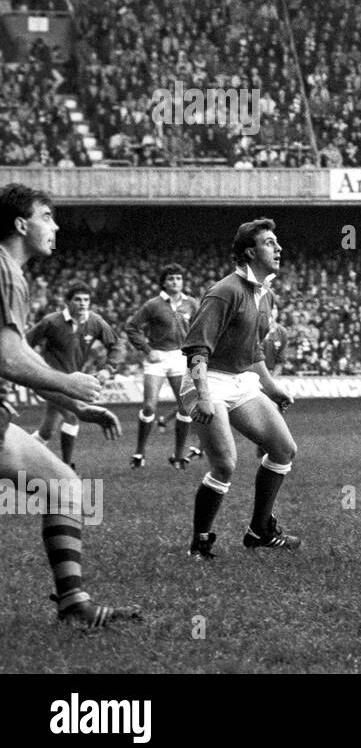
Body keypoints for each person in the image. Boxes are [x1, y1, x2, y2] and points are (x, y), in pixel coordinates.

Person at [0, 183, 139, 627]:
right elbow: (8, 357)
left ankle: (74, 604)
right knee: (64, 487)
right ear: (21, 225)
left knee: (63, 487)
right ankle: (74, 605)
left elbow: (23, 358)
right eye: (46, 216)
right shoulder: (4, 269)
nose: (56, 225)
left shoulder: (9, 271)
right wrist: (70, 384)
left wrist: (72, 403)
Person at [180, 218, 300, 560]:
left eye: (277, 243)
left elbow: (254, 352)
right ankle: (199, 542)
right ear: (250, 252)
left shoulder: (266, 295)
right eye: (269, 243)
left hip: (240, 381)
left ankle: (259, 531)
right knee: (225, 465)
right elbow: (196, 349)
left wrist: (273, 389)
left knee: (283, 449)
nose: (278, 248)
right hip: (208, 381)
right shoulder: (225, 291)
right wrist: (203, 394)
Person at [27, 282, 126, 470]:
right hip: (49, 381)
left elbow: (116, 345)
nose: (83, 303)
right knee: (72, 417)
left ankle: (12, 461)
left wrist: (108, 369)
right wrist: (35, 368)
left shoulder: (95, 322)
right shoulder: (51, 321)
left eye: (86, 300)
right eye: (78, 299)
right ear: (67, 302)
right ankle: (67, 469)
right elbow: (25, 343)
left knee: (46, 433)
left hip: (72, 384)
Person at [124, 262, 199, 469]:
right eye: (171, 279)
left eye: (178, 278)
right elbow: (131, 327)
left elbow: (201, 328)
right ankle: (139, 453)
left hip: (180, 358)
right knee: (149, 405)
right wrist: (148, 350)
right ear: (164, 283)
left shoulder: (191, 304)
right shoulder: (153, 305)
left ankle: (178, 455)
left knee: (185, 405)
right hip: (157, 359)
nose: (175, 282)